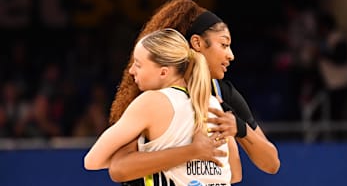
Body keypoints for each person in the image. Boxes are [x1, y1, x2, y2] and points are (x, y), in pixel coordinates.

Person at [108, 0, 280, 185]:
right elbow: (120, 169)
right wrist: (190, 152)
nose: (231, 55)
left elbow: (270, 164)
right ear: (197, 43)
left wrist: (239, 128)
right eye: (223, 45)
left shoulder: (221, 94)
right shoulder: (156, 91)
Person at [84, 28, 238, 185]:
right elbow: (235, 174)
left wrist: (190, 151)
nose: (131, 71)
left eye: (138, 64)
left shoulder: (152, 101)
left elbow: (92, 161)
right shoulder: (213, 102)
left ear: (164, 72)